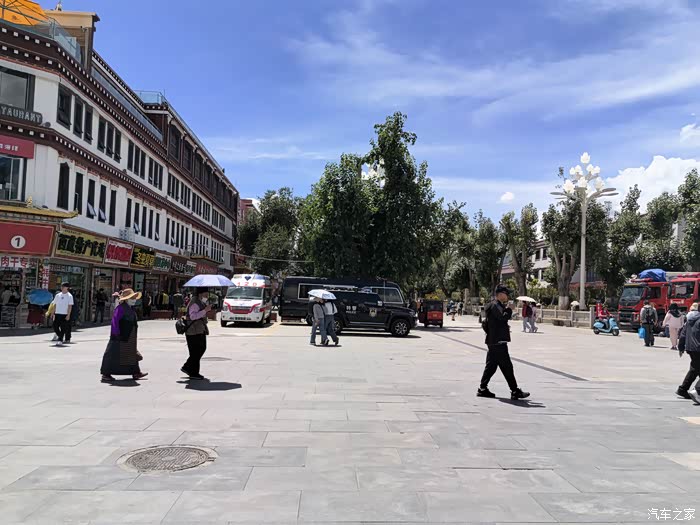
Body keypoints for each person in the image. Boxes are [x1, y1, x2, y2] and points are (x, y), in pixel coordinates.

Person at [478, 284, 530, 400]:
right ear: (500, 294)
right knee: (507, 367)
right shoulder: (494, 305)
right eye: (506, 293)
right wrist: (509, 309)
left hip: (495, 341)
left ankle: (482, 388)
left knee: (491, 366)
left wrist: (507, 309)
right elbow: (502, 318)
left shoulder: (497, 305)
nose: (507, 296)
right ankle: (514, 391)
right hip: (497, 341)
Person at [100, 289, 148, 382]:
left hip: (129, 335)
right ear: (126, 299)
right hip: (119, 335)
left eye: (134, 298)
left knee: (131, 354)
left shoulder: (130, 308)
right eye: (131, 298)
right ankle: (106, 374)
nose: (134, 300)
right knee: (112, 354)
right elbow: (115, 322)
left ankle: (136, 372)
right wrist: (116, 334)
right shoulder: (120, 308)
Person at [181, 287, 211, 380]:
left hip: (199, 329)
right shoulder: (194, 302)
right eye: (206, 294)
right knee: (196, 351)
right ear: (200, 294)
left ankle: (189, 369)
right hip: (193, 331)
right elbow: (193, 316)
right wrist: (205, 310)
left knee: (200, 349)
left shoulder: (200, 302)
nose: (207, 296)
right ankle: (192, 371)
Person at [677, 302, 700, 400]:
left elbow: (683, 334)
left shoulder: (690, 319)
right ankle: (697, 391)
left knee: (694, 370)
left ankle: (682, 389)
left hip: (691, 348)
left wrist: (681, 347)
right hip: (698, 347)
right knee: (695, 369)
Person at [51, 282, 73, 347]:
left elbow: (70, 306)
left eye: (63, 286)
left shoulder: (69, 296)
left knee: (63, 328)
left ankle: (60, 340)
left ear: (67, 288)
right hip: (57, 313)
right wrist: (52, 312)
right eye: (61, 286)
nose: (62, 288)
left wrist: (68, 315)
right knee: (55, 326)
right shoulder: (58, 295)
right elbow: (54, 304)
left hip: (64, 314)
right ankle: (60, 336)